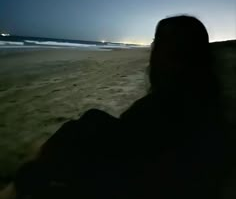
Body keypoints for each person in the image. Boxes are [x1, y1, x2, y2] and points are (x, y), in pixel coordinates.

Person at [0, 15, 227, 199]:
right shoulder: (205, 102)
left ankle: (21, 184)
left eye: (156, 46)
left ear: (166, 57)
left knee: (85, 128)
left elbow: (126, 155)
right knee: (92, 120)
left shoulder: (162, 108)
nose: (152, 52)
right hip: (150, 173)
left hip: (134, 183)